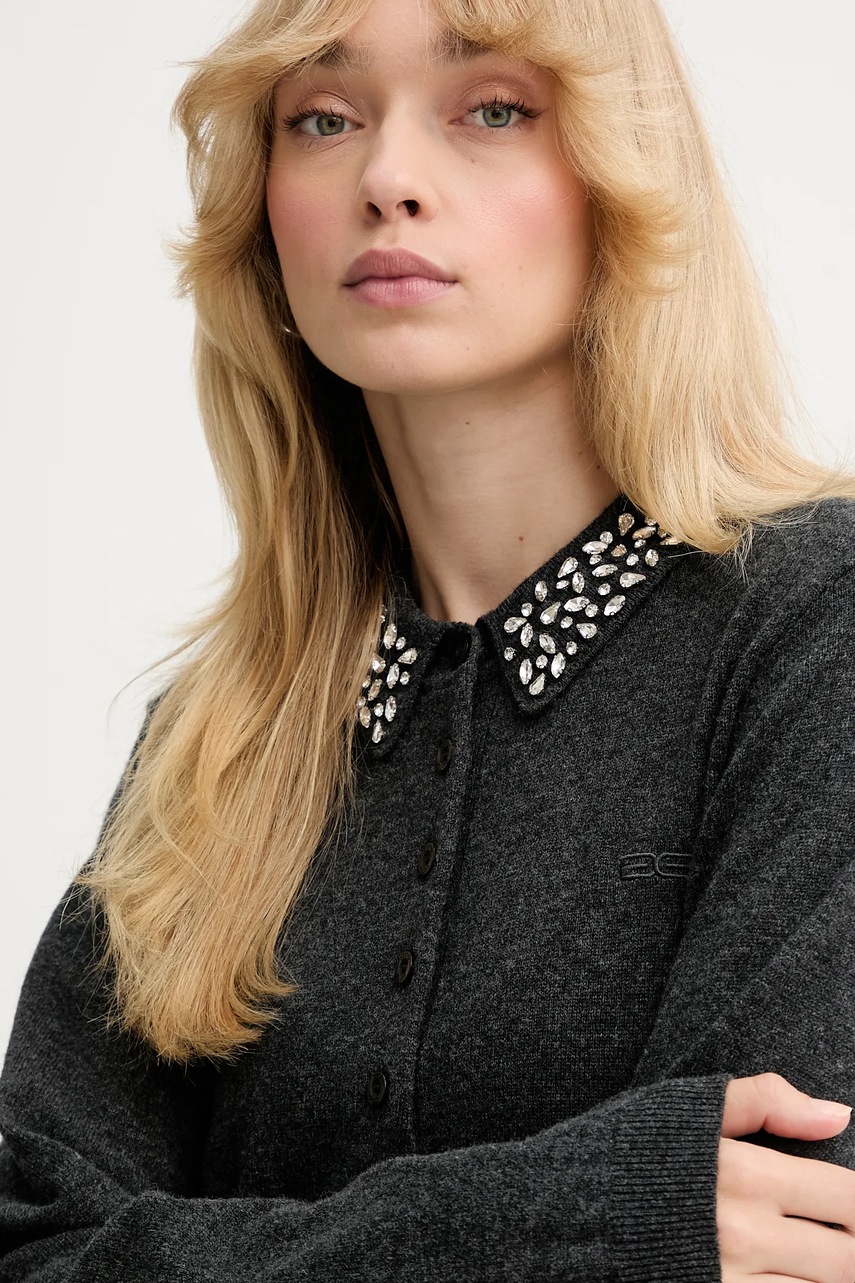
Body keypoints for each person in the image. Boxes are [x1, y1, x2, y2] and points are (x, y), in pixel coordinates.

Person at [2, 0, 854, 1278]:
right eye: (323, 119)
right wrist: (586, 1214)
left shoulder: (815, 626)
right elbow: (29, 1243)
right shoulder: (217, 730)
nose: (388, 178)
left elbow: (797, 1232)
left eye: (494, 109)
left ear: (622, 173)